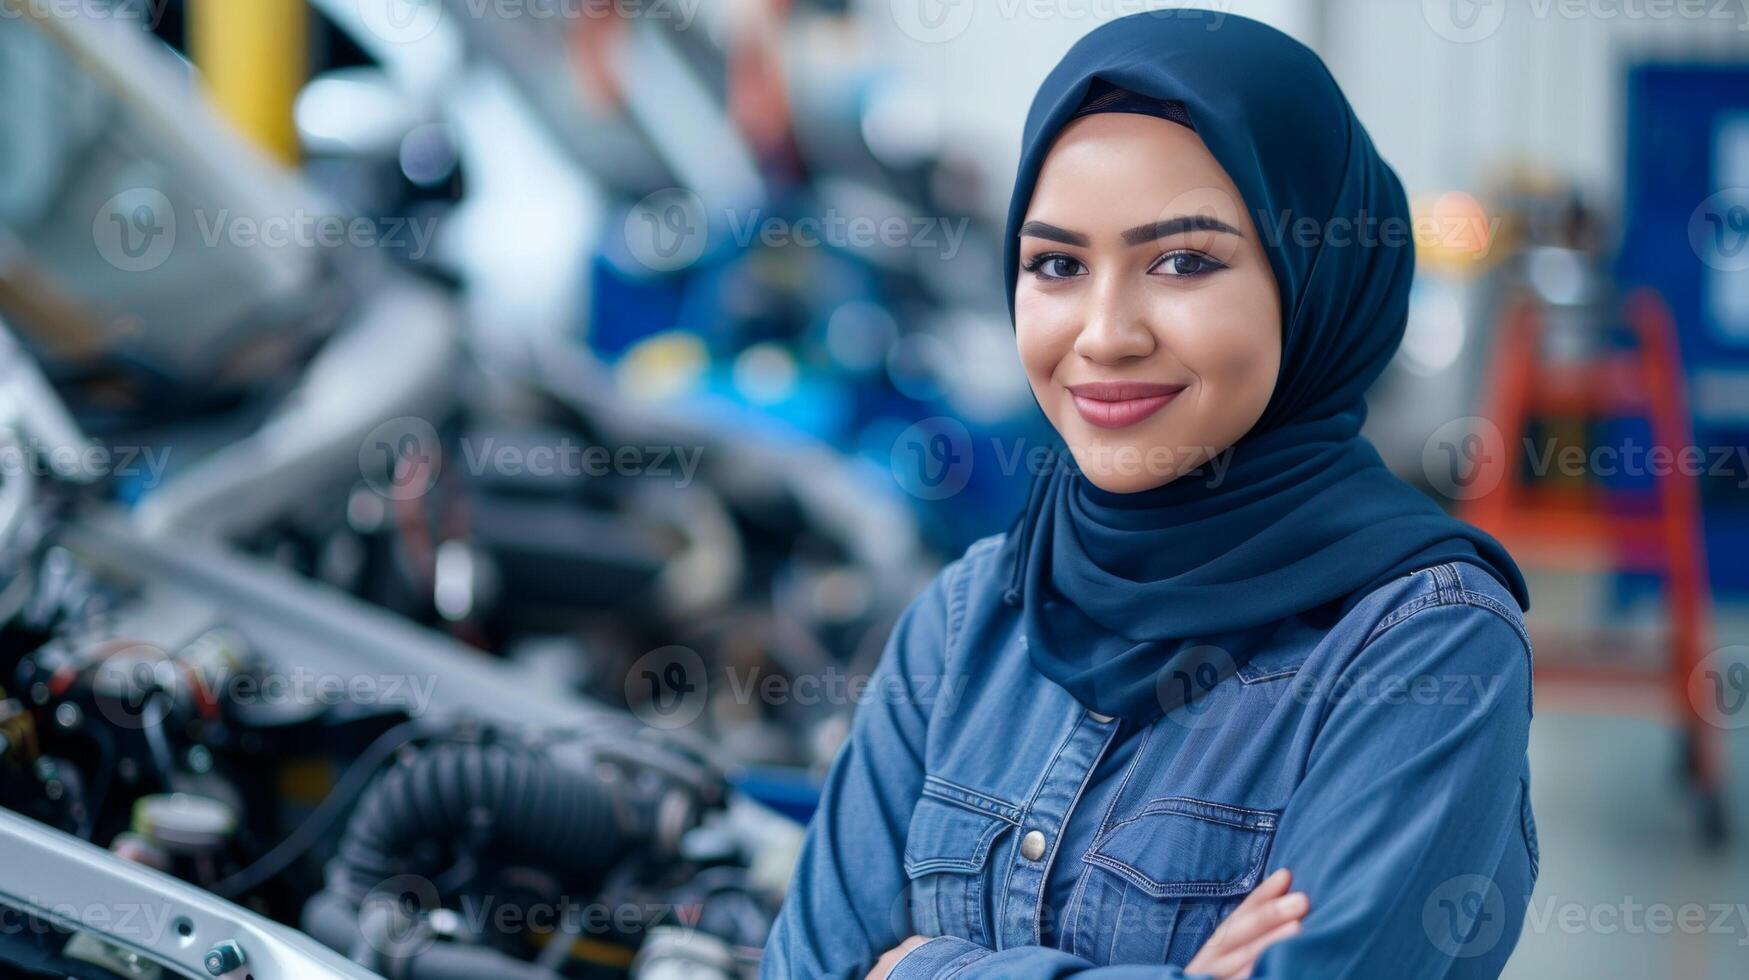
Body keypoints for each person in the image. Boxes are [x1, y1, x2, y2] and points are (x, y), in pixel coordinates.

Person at [760, 10, 1538, 979]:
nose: (1105, 332)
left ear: (1316, 280)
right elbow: (805, 967)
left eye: (1182, 261)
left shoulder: (1427, 643)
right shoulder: (969, 617)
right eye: (1057, 264)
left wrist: (915, 967)